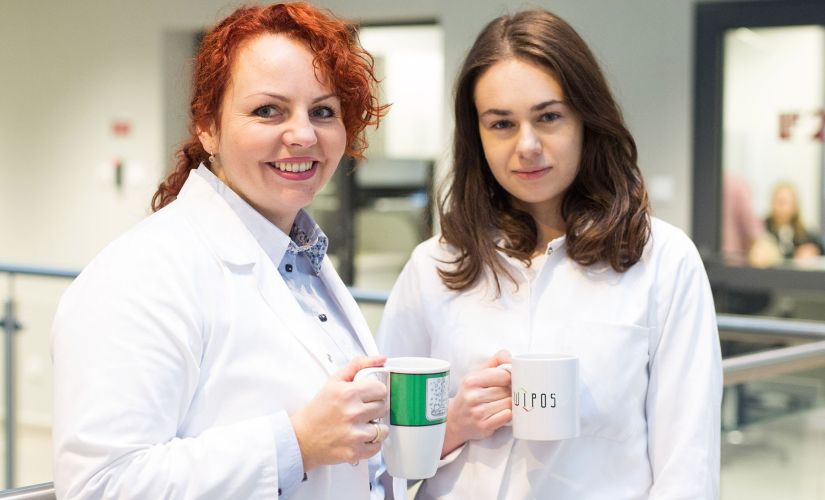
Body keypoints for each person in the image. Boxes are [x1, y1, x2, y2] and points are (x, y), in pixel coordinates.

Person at [377, 9, 722, 499]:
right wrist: (453, 424)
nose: (527, 145)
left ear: (586, 120)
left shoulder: (663, 261)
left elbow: (687, 466)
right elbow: (377, 460)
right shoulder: (436, 265)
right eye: (501, 123)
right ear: (477, 135)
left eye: (549, 117)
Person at [51, 4, 390, 499]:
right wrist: (296, 444)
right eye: (268, 110)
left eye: (323, 111)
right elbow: (101, 485)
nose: (303, 134)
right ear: (208, 126)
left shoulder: (303, 264)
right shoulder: (137, 274)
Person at [763, 181, 824, 262]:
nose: (780, 207)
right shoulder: (761, 230)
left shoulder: (805, 235)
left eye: (785, 202)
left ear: (795, 205)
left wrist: (814, 251)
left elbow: (821, 248)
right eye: (777, 201)